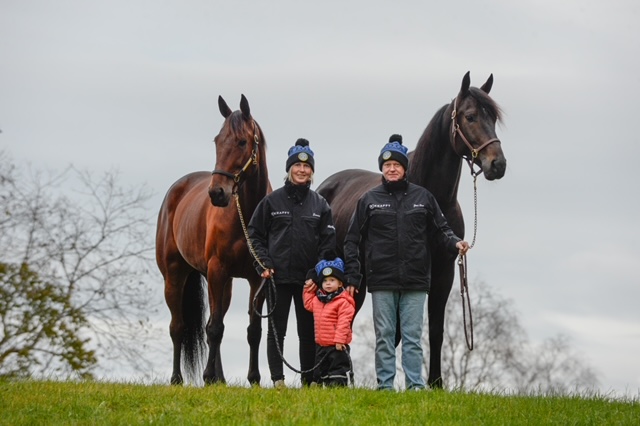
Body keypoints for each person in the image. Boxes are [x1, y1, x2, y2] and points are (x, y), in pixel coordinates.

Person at [343, 134, 469, 391]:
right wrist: (354, 275)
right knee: (385, 338)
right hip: (382, 281)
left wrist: (456, 242)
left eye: (396, 165)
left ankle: (415, 386)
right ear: (382, 168)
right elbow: (351, 240)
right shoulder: (368, 199)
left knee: (412, 338)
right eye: (387, 165)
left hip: (415, 281)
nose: (391, 168)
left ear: (404, 169)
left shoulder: (423, 198)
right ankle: (385, 386)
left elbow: (441, 230)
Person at [248, 138, 336, 388]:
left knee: (308, 333)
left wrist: (316, 274)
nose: (302, 170)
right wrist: (263, 263)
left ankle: (309, 381)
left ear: (312, 171)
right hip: (278, 279)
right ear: (289, 169)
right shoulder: (271, 202)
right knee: (277, 332)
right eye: (297, 166)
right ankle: (278, 380)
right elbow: (254, 234)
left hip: (309, 282)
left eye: (307, 167)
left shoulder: (320, 205)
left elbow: (328, 244)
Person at [303, 256, 355, 387]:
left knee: (336, 372)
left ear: (340, 283)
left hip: (336, 345)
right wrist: (307, 289)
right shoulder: (318, 300)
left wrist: (340, 340)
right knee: (322, 372)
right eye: (325, 280)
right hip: (321, 345)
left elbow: (344, 322)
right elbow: (308, 304)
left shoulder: (343, 302)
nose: (328, 283)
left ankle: (338, 388)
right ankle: (324, 387)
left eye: (332, 280)